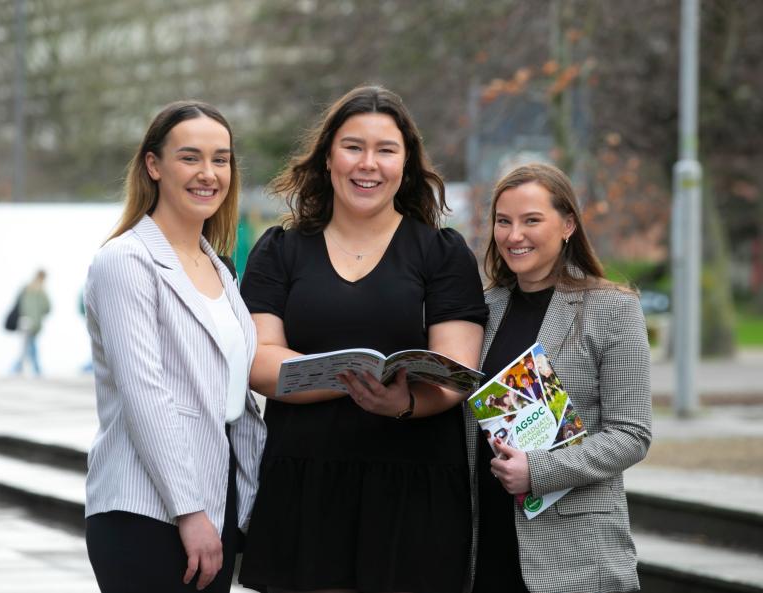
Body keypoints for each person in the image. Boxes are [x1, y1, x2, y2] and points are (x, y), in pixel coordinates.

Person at [238, 85, 487, 593]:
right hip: (305, 481)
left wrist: (401, 402)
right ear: (328, 156)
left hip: (413, 486)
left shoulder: (443, 253)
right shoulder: (279, 250)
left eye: (386, 150)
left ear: (407, 164)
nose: (367, 164)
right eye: (353, 146)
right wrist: (355, 379)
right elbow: (259, 361)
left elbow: (456, 369)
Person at [83, 100, 266, 593]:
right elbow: (146, 394)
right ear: (153, 165)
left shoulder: (219, 268)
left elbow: (235, 395)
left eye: (221, 159)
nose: (209, 173)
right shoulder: (126, 261)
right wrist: (190, 511)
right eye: (190, 157)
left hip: (217, 495)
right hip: (147, 505)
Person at [467, 163, 652, 593]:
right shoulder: (481, 309)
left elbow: (631, 434)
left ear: (568, 224)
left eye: (532, 220)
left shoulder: (611, 309)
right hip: (484, 546)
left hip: (575, 554)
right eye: (503, 221)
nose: (515, 235)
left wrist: (540, 469)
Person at [11, 269, 51, 376]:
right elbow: (47, 308)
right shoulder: (41, 292)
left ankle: (17, 368)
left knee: (25, 347)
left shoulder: (26, 288)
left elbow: (19, 304)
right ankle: (34, 369)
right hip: (33, 324)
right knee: (30, 347)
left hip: (24, 322)